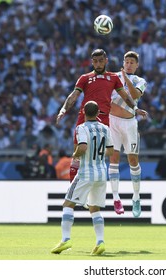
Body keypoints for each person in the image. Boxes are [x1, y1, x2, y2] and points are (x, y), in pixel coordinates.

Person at [56, 49, 147, 182]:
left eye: (101, 61)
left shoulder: (113, 78)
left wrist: (135, 108)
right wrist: (63, 109)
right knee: (78, 152)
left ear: (106, 61)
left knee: (102, 154)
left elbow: (126, 96)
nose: (98, 64)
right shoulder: (85, 78)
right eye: (95, 61)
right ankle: (73, 184)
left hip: (104, 118)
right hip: (84, 116)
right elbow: (73, 96)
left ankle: (95, 182)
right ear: (92, 62)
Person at [51, 101, 114, 255]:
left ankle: (66, 239)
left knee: (68, 203)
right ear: (99, 113)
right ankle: (100, 242)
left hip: (86, 172)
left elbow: (83, 146)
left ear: (84, 113)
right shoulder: (105, 128)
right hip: (101, 173)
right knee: (94, 208)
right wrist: (97, 155)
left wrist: (76, 155)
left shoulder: (82, 128)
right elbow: (111, 151)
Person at [108, 51, 147, 217]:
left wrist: (125, 77)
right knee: (113, 157)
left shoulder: (140, 81)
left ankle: (136, 196)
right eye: (127, 61)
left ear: (137, 65)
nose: (129, 64)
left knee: (132, 159)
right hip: (112, 121)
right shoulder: (113, 77)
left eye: (132, 62)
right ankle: (116, 197)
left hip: (129, 123)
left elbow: (135, 95)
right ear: (123, 62)